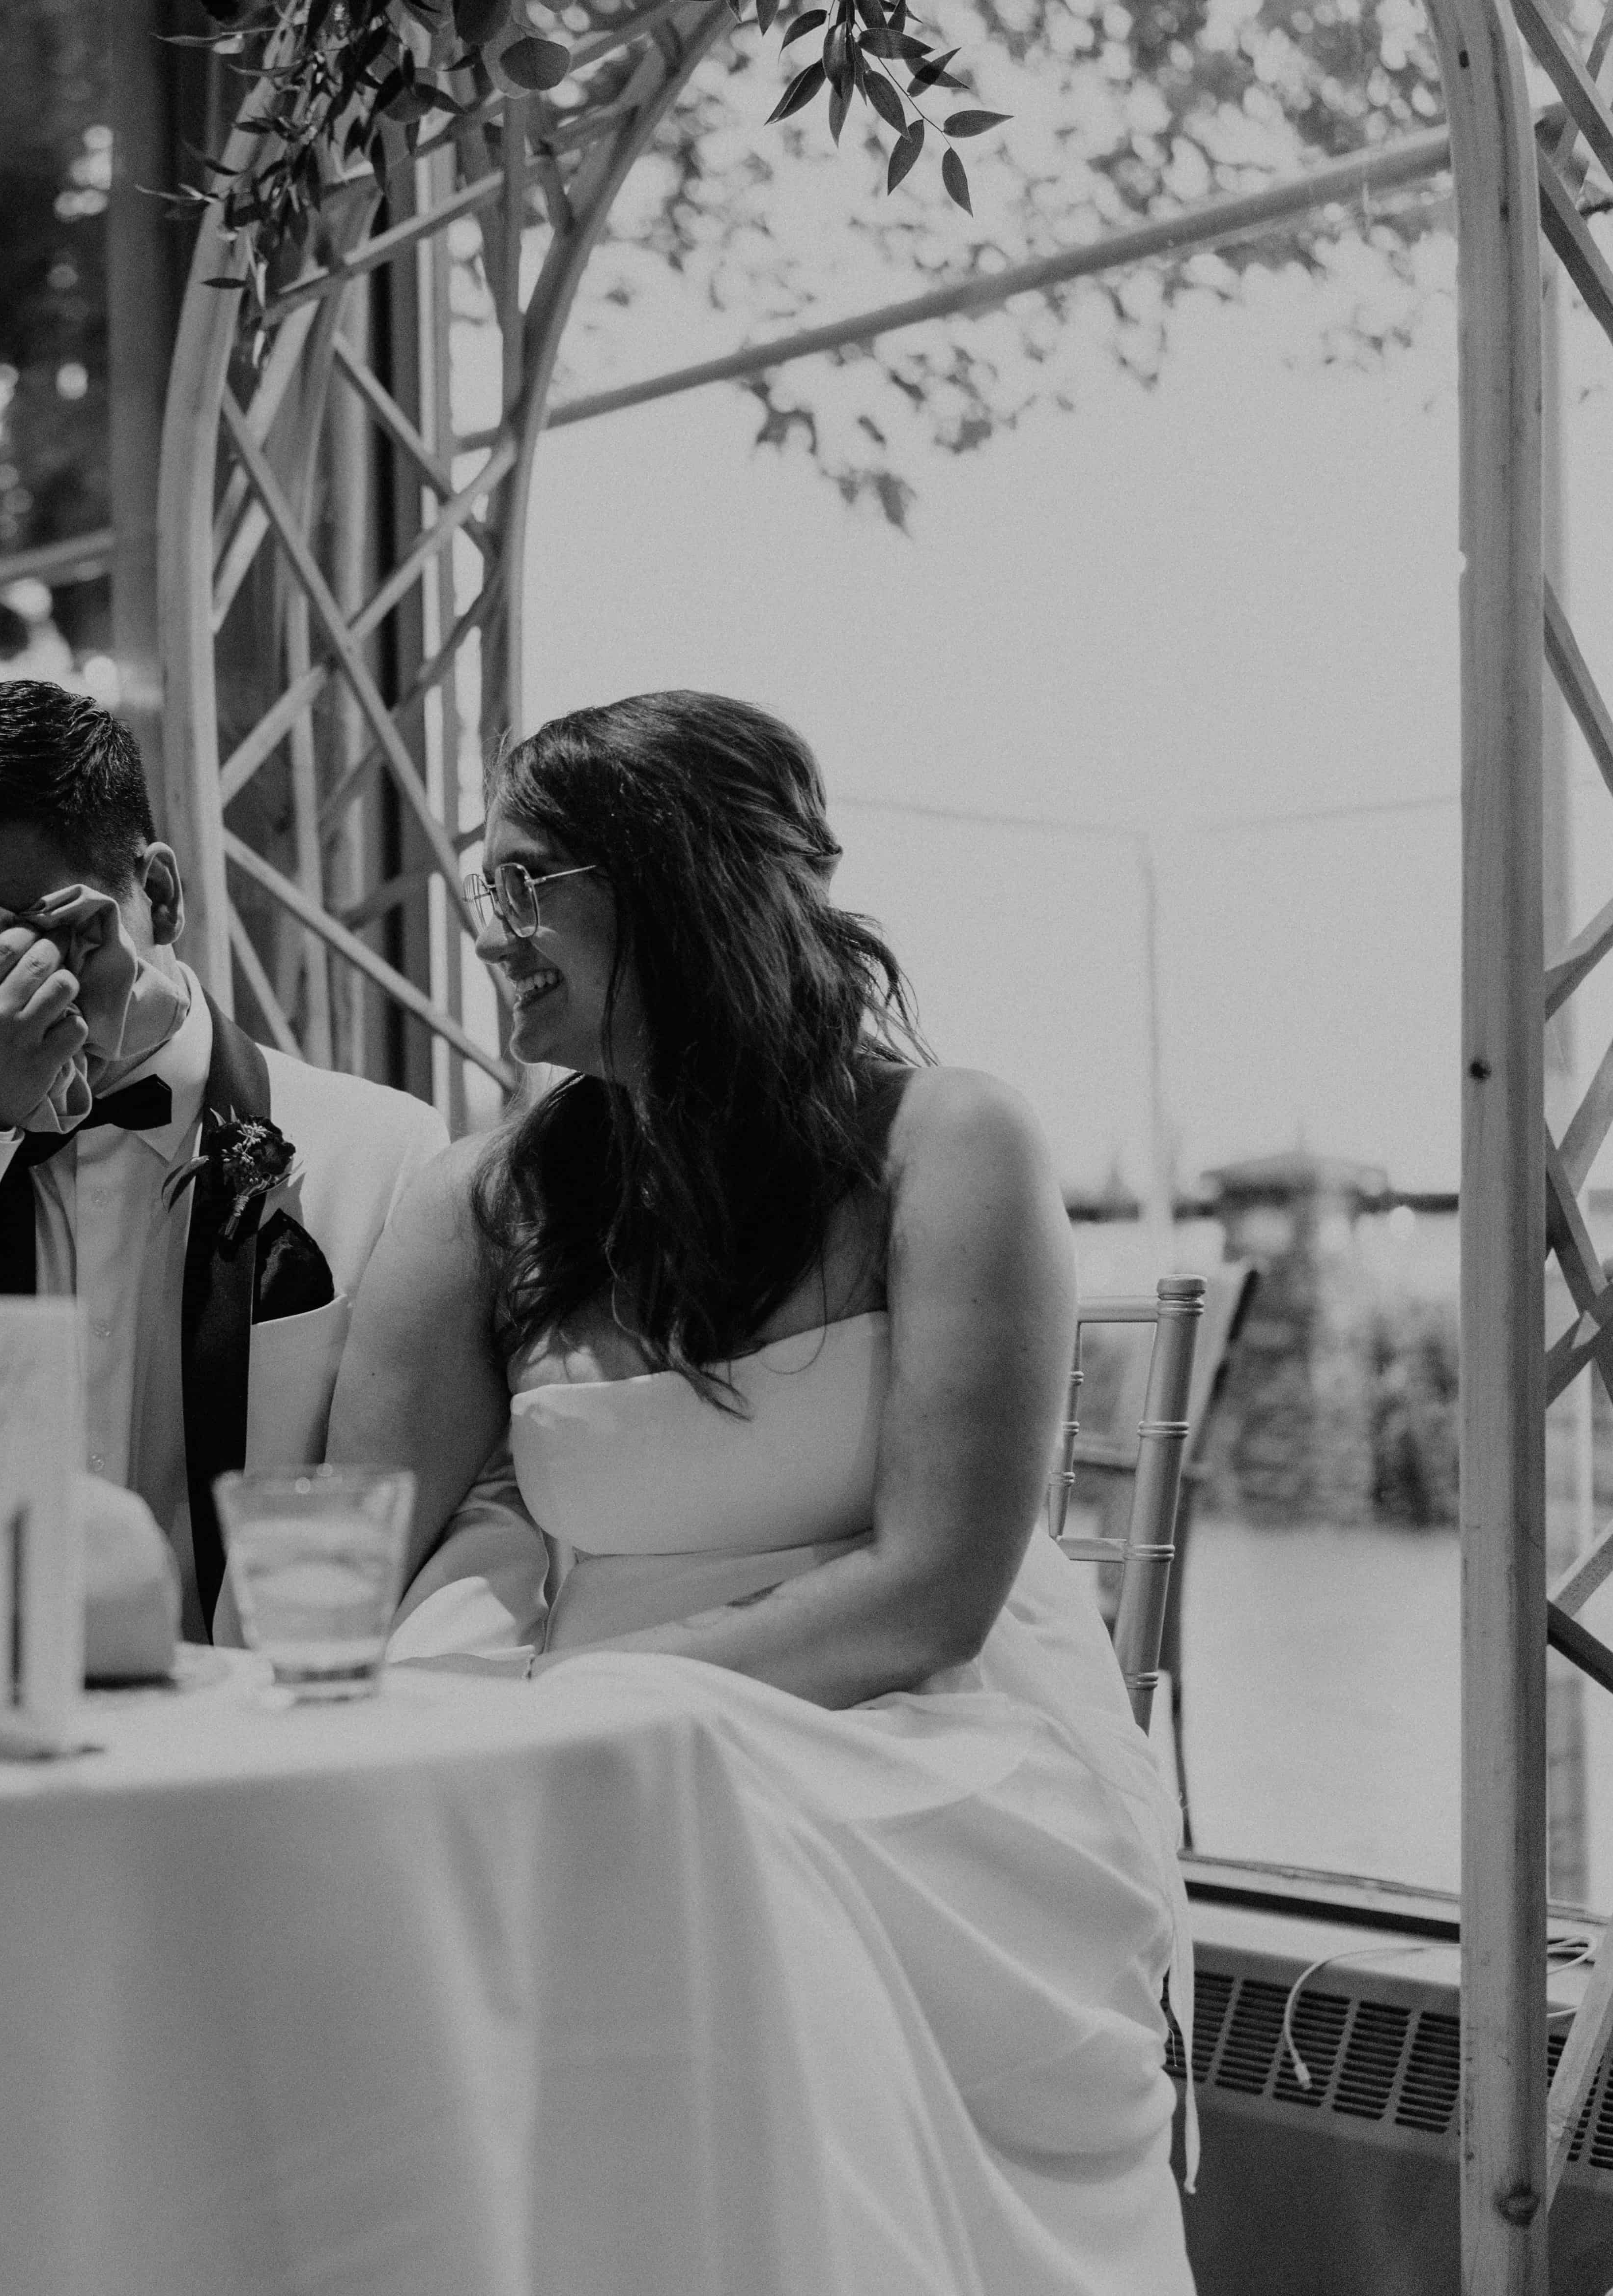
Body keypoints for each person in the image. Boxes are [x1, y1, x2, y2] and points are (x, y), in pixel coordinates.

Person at [326, 691, 1191, 2292]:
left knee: (692, 1878)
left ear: (671, 884)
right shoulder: (483, 1197)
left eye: (525, 886)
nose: (487, 930)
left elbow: (932, 1583)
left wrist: (604, 1713)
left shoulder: (944, 1141)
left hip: (921, 1724)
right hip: (577, 1737)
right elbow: (336, 1550)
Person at [0, 680, 447, 1642]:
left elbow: (427, 1504)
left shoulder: (382, 1148)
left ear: (157, 891)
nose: (2, 987)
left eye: (36, 936)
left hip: (253, 1733)